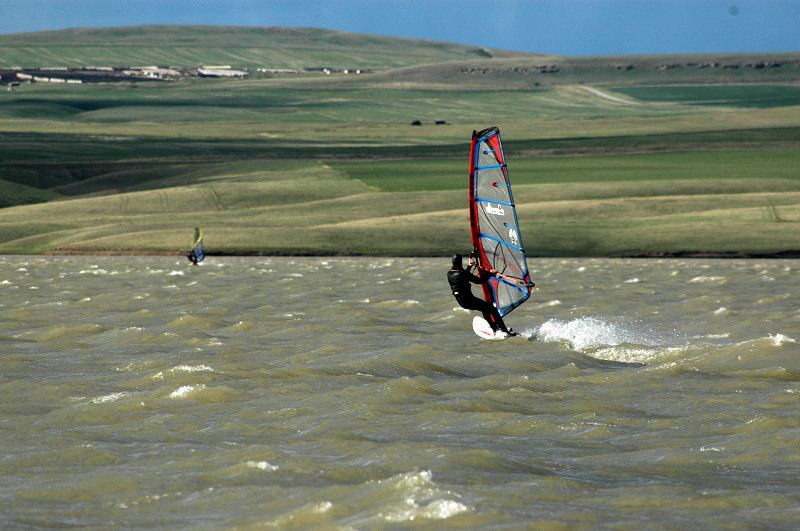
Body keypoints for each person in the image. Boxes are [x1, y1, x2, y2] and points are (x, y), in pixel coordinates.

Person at [447, 253, 515, 336]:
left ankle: (495, 329)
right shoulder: (463, 274)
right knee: (491, 309)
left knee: (485, 308)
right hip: (469, 300)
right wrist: (490, 273)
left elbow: (463, 276)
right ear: (460, 263)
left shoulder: (449, 274)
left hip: (462, 301)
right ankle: (505, 331)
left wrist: (470, 266)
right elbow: (479, 281)